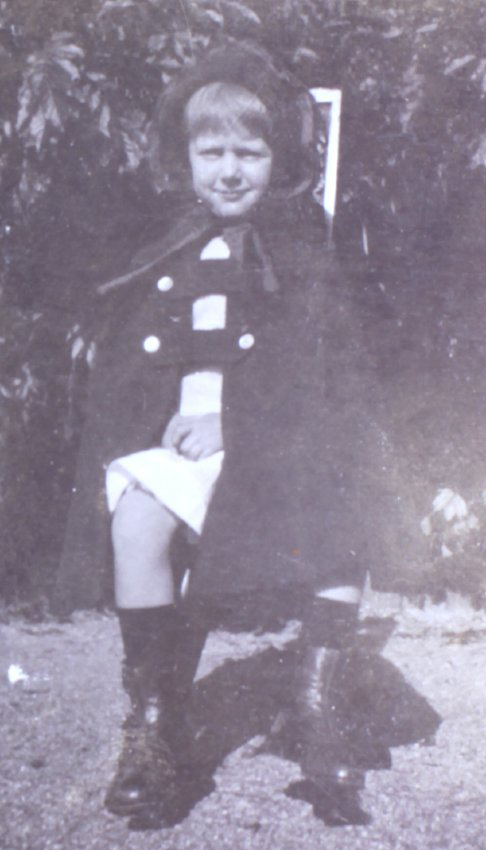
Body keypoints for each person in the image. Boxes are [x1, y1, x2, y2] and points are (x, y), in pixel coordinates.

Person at [57, 41, 371, 827]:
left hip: (274, 436)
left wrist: (233, 416)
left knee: (337, 521)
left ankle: (315, 708)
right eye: (212, 152)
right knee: (137, 519)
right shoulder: (170, 237)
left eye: (249, 153)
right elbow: (131, 346)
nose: (229, 171)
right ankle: (157, 727)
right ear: (186, 157)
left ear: (278, 159)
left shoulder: (300, 243)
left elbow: (319, 368)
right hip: (180, 442)